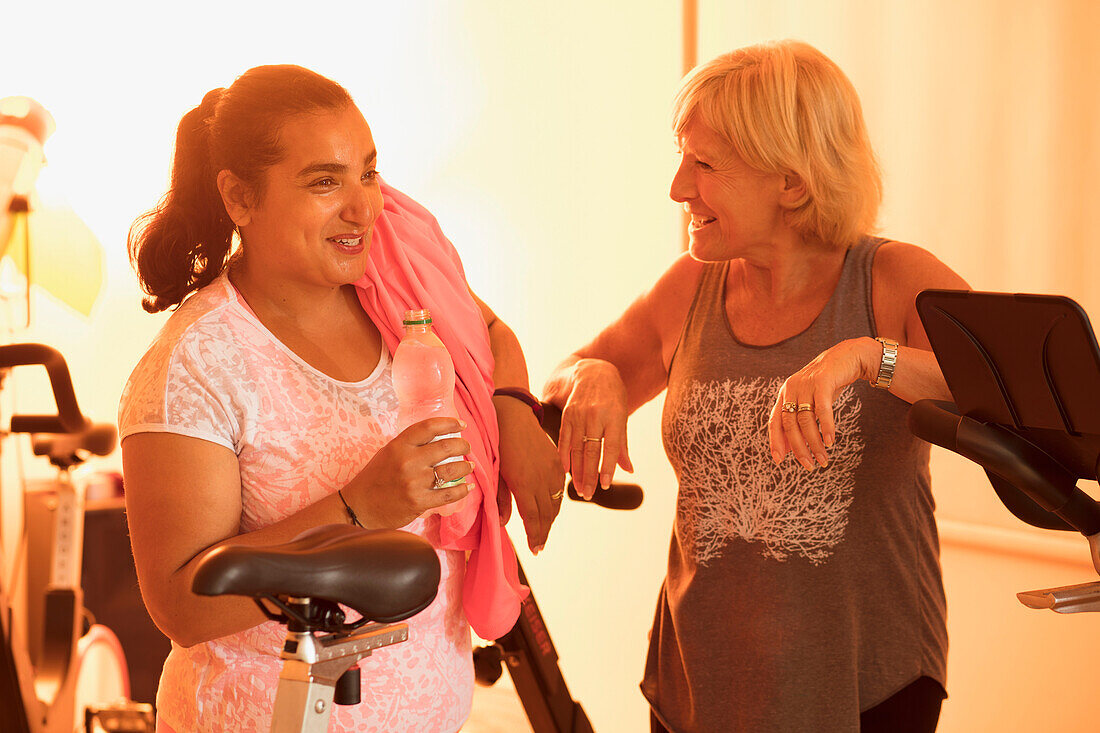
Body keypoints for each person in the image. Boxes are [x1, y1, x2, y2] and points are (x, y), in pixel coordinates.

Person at [120, 64, 564, 733]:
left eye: (368, 172)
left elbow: (489, 333)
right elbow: (182, 604)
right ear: (240, 198)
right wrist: (360, 508)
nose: (364, 207)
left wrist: (512, 406)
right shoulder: (197, 362)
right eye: (325, 181)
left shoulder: (393, 283)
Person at [543, 40, 969, 733]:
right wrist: (592, 373)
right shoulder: (691, 287)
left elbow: (1001, 394)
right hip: (697, 688)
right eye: (682, 157)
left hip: (865, 688)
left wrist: (867, 358)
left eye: (705, 164)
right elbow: (574, 372)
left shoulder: (889, 280)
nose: (679, 187)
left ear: (792, 183)